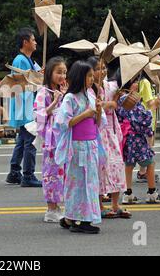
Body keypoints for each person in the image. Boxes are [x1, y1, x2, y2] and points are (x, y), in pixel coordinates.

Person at [55, 60, 105, 234]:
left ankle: (73, 217)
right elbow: (63, 123)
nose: (92, 79)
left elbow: (98, 123)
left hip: (90, 144)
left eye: (92, 75)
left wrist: (98, 111)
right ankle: (80, 219)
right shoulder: (70, 97)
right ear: (80, 77)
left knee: (89, 182)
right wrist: (85, 114)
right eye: (89, 75)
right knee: (78, 183)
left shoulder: (91, 95)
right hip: (77, 146)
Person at [115, 74, 160, 205]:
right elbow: (143, 120)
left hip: (127, 138)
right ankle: (152, 193)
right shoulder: (131, 100)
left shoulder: (119, 100)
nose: (137, 84)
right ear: (130, 85)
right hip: (137, 139)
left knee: (129, 165)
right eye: (135, 82)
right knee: (150, 163)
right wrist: (154, 106)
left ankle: (128, 194)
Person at [87, 57, 130, 219]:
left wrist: (119, 98)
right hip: (97, 131)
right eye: (98, 68)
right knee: (100, 167)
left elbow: (123, 84)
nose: (102, 71)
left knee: (116, 164)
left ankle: (115, 204)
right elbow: (92, 107)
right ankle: (99, 205)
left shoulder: (110, 85)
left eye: (104, 67)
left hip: (112, 130)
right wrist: (109, 104)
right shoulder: (90, 89)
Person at [5, 27, 42, 187]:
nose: (35, 42)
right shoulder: (20, 60)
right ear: (25, 42)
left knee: (22, 140)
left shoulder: (27, 60)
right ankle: (28, 175)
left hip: (25, 104)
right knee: (30, 141)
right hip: (25, 105)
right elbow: (24, 83)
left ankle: (14, 172)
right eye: (33, 40)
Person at [34, 57, 67, 223]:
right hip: (52, 137)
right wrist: (55, 102)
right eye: (58, 72)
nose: (62, 75)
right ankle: (51, 208)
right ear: (50, 73)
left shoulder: (64, 91)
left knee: (64, 172)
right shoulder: (43, 92)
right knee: (52, 172)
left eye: (64, 72)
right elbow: (39, 114)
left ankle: (58, 205)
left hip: (64, 135)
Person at [135, 72, 160, 183]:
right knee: (147, 147)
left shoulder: (146, 82)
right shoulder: (145, 82)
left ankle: (142, 171)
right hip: (147, 118)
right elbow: (150, 103)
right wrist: (158, 101)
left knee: (147, 146)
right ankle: (143, 172)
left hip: (147, 118)